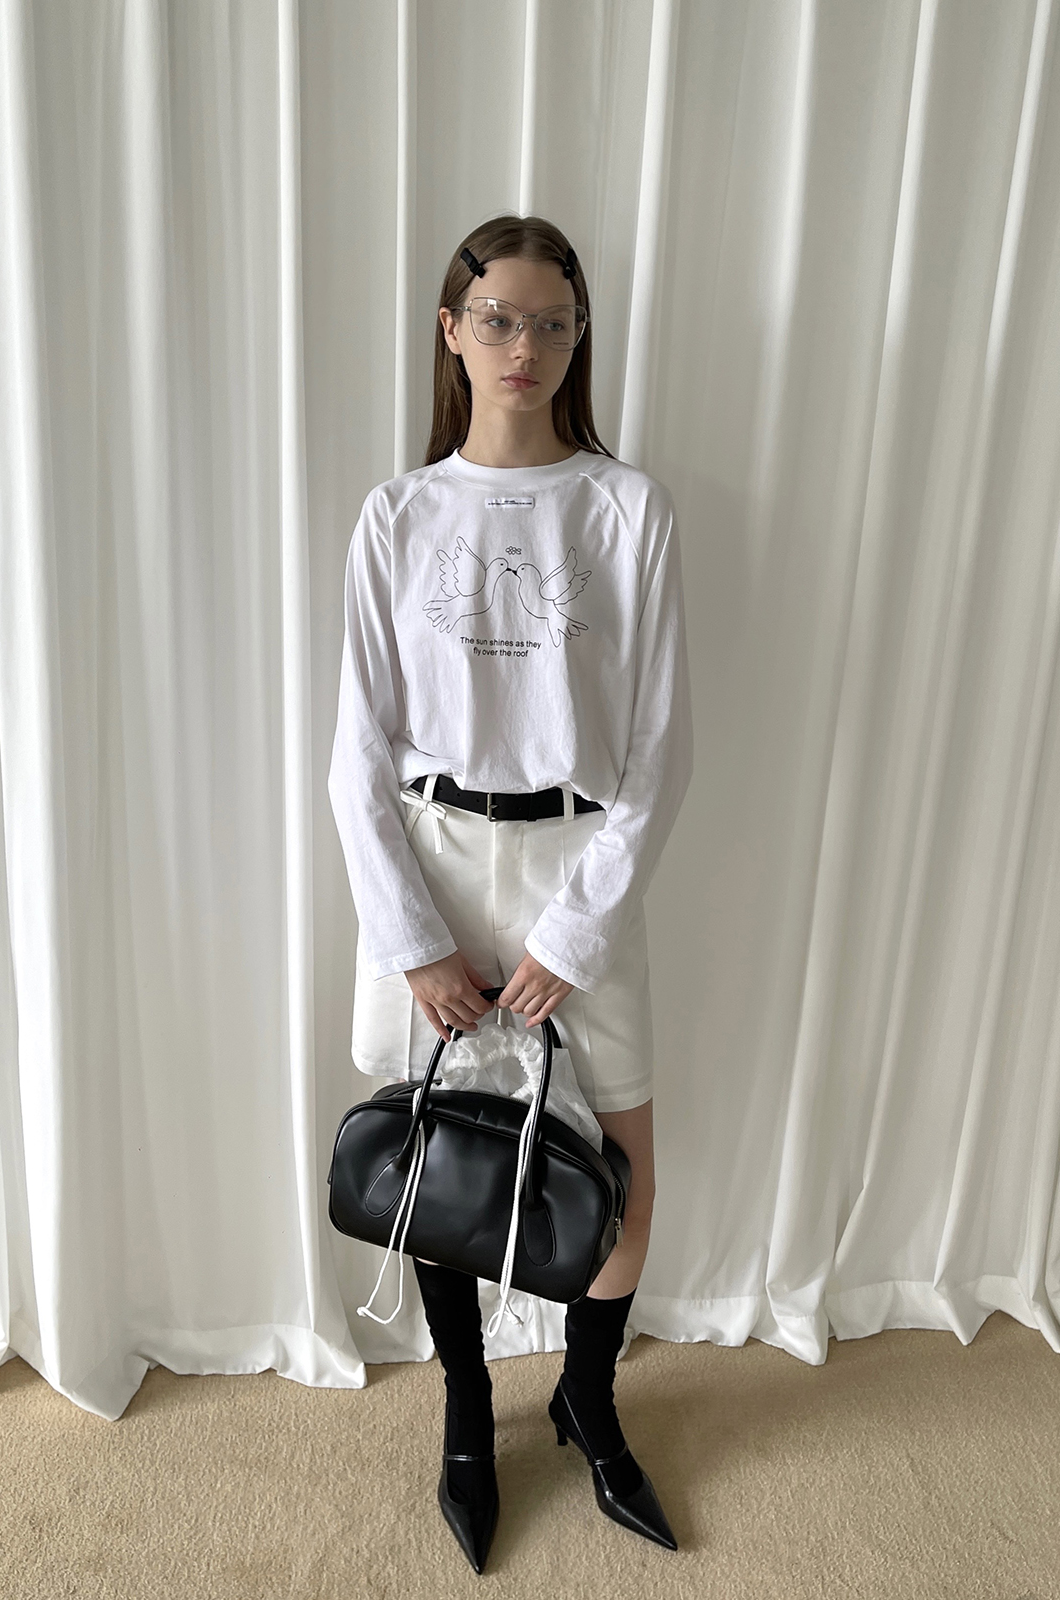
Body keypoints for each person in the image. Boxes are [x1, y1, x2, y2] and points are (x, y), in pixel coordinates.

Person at [326, 214, 693, 1573]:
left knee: (624, 1169)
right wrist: (414, 941)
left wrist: (575, 931)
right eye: (496, 318)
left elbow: (661, 750)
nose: (522, 345)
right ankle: (469, 1411)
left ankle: (587, 1399)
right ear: (452, 331)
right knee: (438, 1150)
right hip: (432, 859)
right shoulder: (398, 515)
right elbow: (355, 757)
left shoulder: (627, 509)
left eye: (550, 322)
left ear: (578, 336)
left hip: (581, 861)